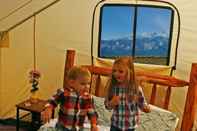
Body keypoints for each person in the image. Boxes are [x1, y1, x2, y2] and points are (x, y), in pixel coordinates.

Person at [41, 66, 98, 131]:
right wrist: (48, 109)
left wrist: (93, 124)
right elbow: (52, 101)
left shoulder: (88, 98)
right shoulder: (64, 93)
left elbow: (92, 113)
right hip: (63, 128)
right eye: (83, 84)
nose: (87, 87)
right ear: (72, 83)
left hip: (78, 129)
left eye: (88, 83)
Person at [104, 57, 151, 131]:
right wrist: (111, 103)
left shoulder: (136, 89)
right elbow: (107, 106)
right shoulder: (113, 88)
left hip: (130, 125)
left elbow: (142, 104)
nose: (116, 74)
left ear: (130, 72)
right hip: (115, 124)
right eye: (114, 71)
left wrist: (145, 108)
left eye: (121, 71)